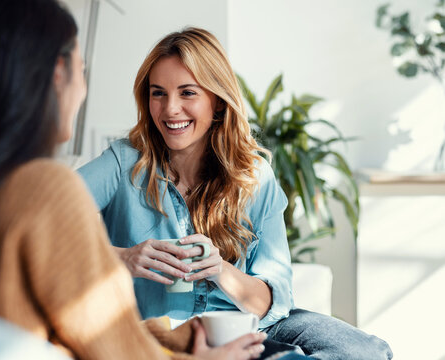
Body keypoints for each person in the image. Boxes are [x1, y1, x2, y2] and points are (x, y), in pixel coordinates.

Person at [0, 2, 269, 359]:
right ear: (58, 72)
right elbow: (114, 347)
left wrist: (174, 336)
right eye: (82, 69)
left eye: (187, 92)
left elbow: (67, 327)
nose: (82, 88)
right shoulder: (46, 188)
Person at [78, 27, 393, 360]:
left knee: (366, 352)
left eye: (187, 93)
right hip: (164, 332)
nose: (170, 109)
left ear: (216, 100)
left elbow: (271, 302)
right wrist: (122, 258)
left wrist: (219, 270)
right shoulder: (125, 162)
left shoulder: (254, 176)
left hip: (245, 326)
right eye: (159, 93)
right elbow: (41, 222)